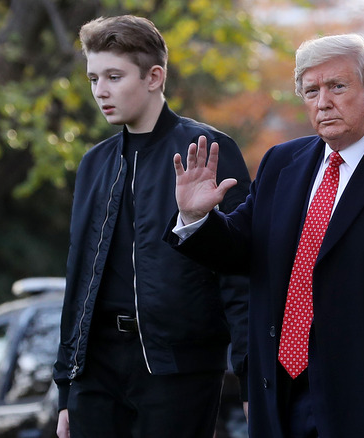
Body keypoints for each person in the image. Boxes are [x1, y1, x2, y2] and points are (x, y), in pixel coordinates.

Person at [167, 34, 364, 438]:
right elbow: (241, 250)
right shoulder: (281, 162)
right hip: (279, 397)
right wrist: (194, 215)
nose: (323, 101)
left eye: (337, 86)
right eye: (311, 90)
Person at [53, 15, 251, 438]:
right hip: (96, 370)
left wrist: (251, 378)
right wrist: (66, 387)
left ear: (154, 77)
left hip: (178, 369)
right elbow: (78, 278)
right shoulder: (94, 164)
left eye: (113, 76)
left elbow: (241, 275)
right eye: (93, 78)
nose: (100, 91)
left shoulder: (208, 150)